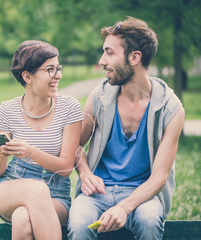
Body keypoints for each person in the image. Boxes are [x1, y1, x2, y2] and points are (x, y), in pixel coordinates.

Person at [68, 17, 185, 240]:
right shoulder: (98, 97)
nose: (102, 61)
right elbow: (75, 143)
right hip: (97, 193)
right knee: (79, 223)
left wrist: (124, 207)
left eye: (110, 53)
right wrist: (84, 172)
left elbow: (160, 177)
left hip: (143, 194)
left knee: (149, 222)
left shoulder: (171, 109)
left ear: (134, 57)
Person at [0, 40, 83, 240]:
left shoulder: (69, 107)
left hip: (56, 194)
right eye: (50, 69)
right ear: (27, 76)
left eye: (58, 68)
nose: (58, 75)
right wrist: (0, 154)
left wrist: (30, 152)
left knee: (22, 219)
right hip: (11, 186)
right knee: (35, 190)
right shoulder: (7, 110)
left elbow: (66, 167)